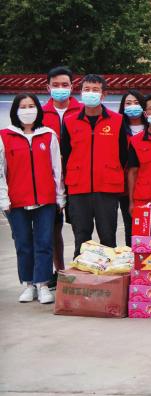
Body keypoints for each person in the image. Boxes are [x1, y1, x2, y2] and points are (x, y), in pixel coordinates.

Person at [1, 94, 64, 304]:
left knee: (44, 242)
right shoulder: (5, 136)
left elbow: (57, 169)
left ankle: (43, 284)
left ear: (38, 109)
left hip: (45, 200)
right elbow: (1, 171)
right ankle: (28, 284)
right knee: (23, 243)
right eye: (23, 106)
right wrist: (3, 199)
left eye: (31, 106)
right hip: (16, 201)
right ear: (15, 110)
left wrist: (60, 197)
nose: (28, 110)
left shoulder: (48, 135)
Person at [60, 74, 127, 256]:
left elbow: (123, 155)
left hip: (107, 187)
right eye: (86, 89)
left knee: (108, 238)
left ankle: (109, 273)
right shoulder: (69, 121)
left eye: (95, 90)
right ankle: (81, 272)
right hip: (78, 187)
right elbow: (65, 154)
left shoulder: (117, 120)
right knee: (81, 239)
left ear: (103, 95)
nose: (90, 93)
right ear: (80, 92)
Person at [41, 66, 79, 282]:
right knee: (53, 228)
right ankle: (60, 271)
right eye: (55, 85)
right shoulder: (40, 114)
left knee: (79, 227)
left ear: (72, 87)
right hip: (51, 181)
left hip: (78, 179)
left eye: (65, 85)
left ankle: (82, 268)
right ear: (48, 88)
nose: (60, 88)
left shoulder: (82, 111)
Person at [116, 89, 146, 242]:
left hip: (149, 184)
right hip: (127, 187)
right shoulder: (118, 128)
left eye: (136, 102)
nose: (132, 106)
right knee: (131, 226)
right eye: (128, 103)